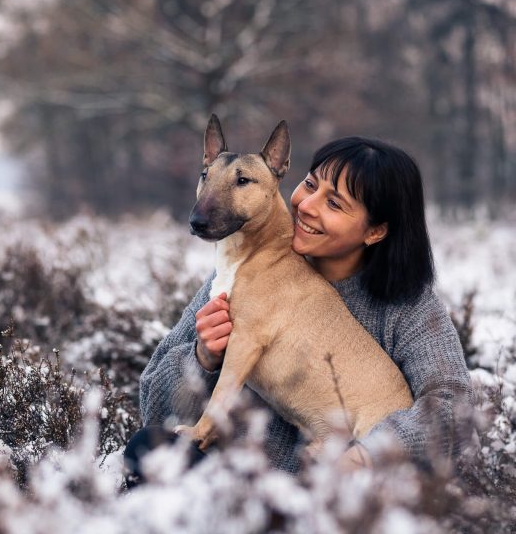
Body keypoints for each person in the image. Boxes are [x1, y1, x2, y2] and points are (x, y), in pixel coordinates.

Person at [128, 136, 473, 482]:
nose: (307, 205)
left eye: (334, 204)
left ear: (376, 231)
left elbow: (452, 412)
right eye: (310, 184)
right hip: (236, 487)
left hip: (344, 496)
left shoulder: (410, 307)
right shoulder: (241, 270)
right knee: (148, 449)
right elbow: (154, 410)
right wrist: (203, 359)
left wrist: (363, 456)